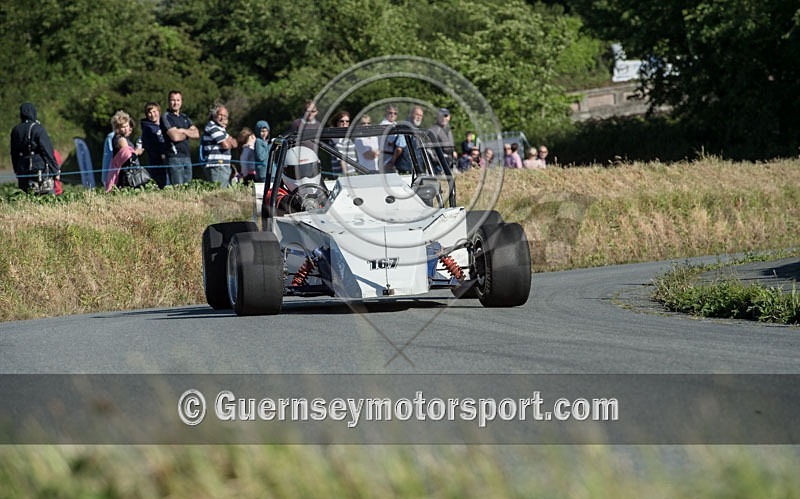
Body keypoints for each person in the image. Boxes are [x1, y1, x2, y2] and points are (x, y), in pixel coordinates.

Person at [10, 102, 59, 194]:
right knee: (45, 196)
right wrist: (55, 170)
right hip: (38, 168)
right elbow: (47, 151)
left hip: (22, 169)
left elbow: (13, 153)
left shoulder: (15, 130)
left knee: (26, 196)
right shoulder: (38, 129)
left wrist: (16, 169)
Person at [265, 145, 324, 216]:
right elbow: (280, 202)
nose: (305, 178)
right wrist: (295, 202)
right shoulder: (274, 193)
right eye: (298, 173)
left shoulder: (321, 193)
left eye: (309, 171)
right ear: (285, 171)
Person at [161, 90, 199, 185]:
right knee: (178, 188)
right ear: (168, 101)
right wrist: (188, 132)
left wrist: (182, 130)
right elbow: (175, 137)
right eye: (173, 100)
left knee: (188, 187)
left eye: (178, 100)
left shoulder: (185, 117)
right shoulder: (166, 117)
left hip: (187, 156)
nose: (175, 103)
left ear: (181, 101)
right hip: (174, 157)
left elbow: (196, 134)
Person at [105, 110, 145, 191]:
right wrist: (137, 152)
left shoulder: (120, 138)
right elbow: (128, 158)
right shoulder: (121, 140)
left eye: (127, 126)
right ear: (117, 128)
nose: (126, 129)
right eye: (123, 127)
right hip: (125, 175)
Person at [202, 104, 238, 188]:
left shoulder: (221, 129)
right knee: (219, 191)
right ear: (214, 115)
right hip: (217, 166)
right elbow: (225, 145)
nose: (222, 118)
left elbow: (235, 143)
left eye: (225, 116)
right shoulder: (212, 126)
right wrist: (228, 141)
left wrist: (228, 141)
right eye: (220, 115)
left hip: (223, 165)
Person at [140, 102, 168, 188]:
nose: (152, 114)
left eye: (154, 111)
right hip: (156, 162)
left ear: (159, 112)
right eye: (150, 112)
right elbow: (149, 146)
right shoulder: (147, 129)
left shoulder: (165, 125)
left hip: (169, 159)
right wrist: (161, 154)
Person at [328, 110, 357, 176]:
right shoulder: (337, 138)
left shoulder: (345, 136)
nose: (345, 123)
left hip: (351, 173)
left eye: (347, 121)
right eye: (342, 121)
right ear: (337, 122)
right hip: (344, 175)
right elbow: (341, 159)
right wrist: (346, 175)